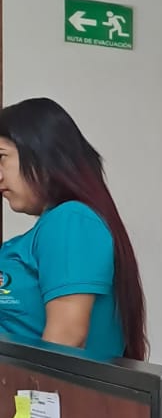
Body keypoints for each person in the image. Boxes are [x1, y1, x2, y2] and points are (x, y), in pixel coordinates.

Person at [0, 98, 147, 361]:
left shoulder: (71, 220)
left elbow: (67, 338)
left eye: (2, 158)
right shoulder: (49, 228)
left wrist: (31, 390)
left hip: (40, 386)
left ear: (42, 152)